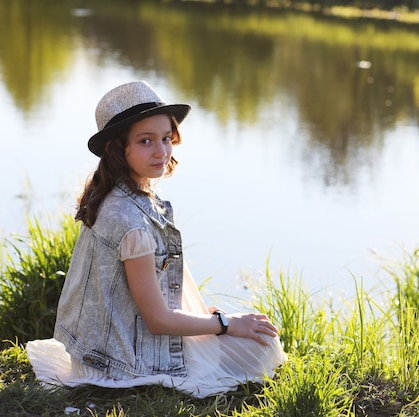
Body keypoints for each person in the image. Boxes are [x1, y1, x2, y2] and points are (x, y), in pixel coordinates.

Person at [26, 80, 287, 398]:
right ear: (116, 148)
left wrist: (204, 314)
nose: (162, 151)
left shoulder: (113, 194)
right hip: (127, 359)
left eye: (166, 138)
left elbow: (149, 291)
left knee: (254, 329)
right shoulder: (132, 222)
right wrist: (224, 324)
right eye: (146, 141)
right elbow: (157, 319)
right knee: (263, 346)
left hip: (107, 343)